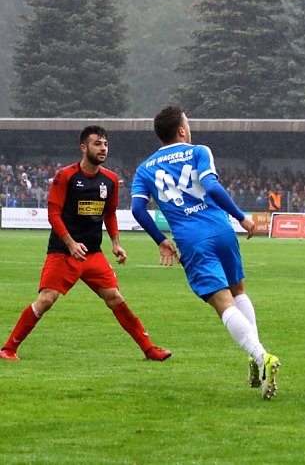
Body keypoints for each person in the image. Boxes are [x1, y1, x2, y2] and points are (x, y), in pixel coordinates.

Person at [130, 106, 281, 401]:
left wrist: (161, 240)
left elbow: (137, 209)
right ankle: (256, 359)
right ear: (182, 130)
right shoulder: (199, 150)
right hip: (221, 231)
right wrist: (240, 217)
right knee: (239, 292)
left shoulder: (145, 168)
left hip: (191, 240)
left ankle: (261, 356)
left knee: (223, 304)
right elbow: (211, 186)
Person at [0, 126, 170, 363]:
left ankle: (149, 350)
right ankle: (8, 349)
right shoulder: (65, 176)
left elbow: (109, 213)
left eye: (105, 144)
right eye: (97, 144)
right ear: (84, 147)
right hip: (63, 252)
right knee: (46, 299)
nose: (103, 148)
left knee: (115, 298)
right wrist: (70, 243)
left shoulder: (110, 179)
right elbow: (53, 214)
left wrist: (116, 243)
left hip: (92, 254)